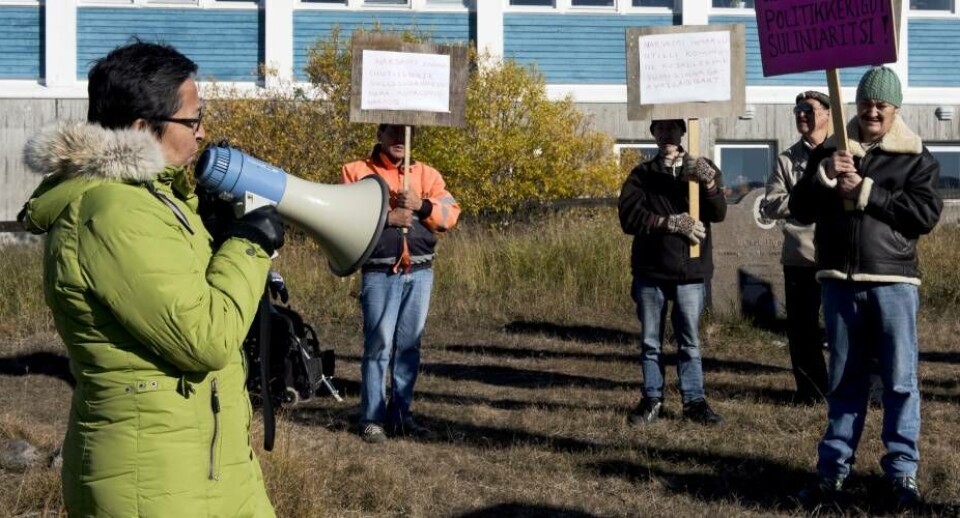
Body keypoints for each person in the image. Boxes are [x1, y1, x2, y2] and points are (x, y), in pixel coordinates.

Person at [18, 41, 282, 516]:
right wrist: (249, 244)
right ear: (142, 128)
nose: (202, 133)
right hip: (151, 479)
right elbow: (207, 337)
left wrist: (220, 236)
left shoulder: (152, 200)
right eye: (193, 120)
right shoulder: (113, 210)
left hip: (200, 461)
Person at [790, 66, 942, 511]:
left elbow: (924, 215)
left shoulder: (916, 156)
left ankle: (901, 474)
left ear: (895, 108)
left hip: (893, 281)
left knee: (899, 380)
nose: (873, 110)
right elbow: (799, 208)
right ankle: (832, 472)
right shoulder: (832, 150)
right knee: (844, 381)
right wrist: (823, 177)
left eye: (882, 104)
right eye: (866, 102)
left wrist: (867, 191)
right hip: (839, 281)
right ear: (854, 104)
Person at [341, 123, 460, 444]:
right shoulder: (355, 172)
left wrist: (421, 205)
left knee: (409, 347)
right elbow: (344, 218)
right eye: (392, 132)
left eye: (404, 133)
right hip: (379, 272)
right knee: (378, 344)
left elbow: (450, 215)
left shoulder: (428, 176)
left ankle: (402, 415)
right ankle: (372, 417)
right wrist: (387, 219)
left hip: (420, 272)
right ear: (379, 134)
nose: (398, 139)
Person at [618, 119, 728, 426]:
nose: (667, 134)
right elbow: (629, 217)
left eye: (672, 128)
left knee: (689, 341)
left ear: (683, 131)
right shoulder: (642, 174)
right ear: (653, 134)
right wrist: (669, 223)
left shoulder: (701, 168)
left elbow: (718, 213)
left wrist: (708, 183)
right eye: (660, 129)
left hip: (691, 271)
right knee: (650, 341)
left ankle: (694, 401)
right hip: (651, 270)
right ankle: (652, 398)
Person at [760, 90, 831, 404]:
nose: (802, 114)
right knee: (803, 332)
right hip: (801, 256)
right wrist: (811, 199)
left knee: (845, 328)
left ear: (828, 114)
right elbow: (772, 203)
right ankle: (811, 393)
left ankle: (846, 389)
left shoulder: (842, 150)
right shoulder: (787, 159)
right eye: (797, 109)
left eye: (809, 109)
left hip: (839, 255)